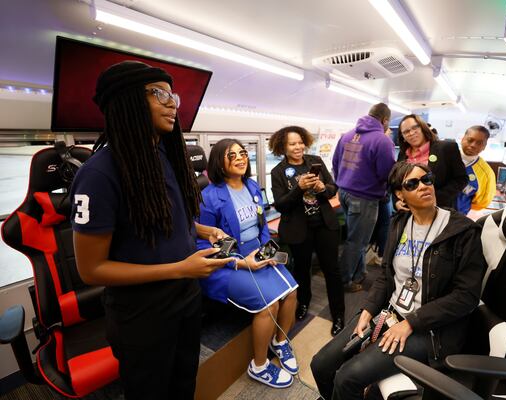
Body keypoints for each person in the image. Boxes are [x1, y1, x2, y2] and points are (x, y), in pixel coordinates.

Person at [71, 61, 233, 400]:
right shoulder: (98, 174)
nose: (172, 102)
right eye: (159, 94)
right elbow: (91, 269)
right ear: (127, 100)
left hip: (186, 300)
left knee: (183, 386)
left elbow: (163, 221)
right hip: (143, 317)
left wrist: (203, 230)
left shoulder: (163, 155)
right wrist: (179, 269)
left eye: (172, 94)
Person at [310, 162, 485, 400]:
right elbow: (385, 274)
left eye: (427, 179)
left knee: (348, 376)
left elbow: (466, 297)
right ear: (399, 195)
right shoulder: (399, 224)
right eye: (412, 184)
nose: (423, 186)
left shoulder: (463, 231)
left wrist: (411, 322)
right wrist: (368, 310)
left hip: (430, 329)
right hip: (389, 313)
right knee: (321, 364)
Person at [196, 139, 299, 389]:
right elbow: (204, 247)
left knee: (293, 291)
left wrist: (265, 251)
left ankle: (280, 341)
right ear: (219, 161)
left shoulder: (252, 186)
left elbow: (262, 225)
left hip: (256, 255)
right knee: (270, 303)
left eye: (243, 153)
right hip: (227, 264)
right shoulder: (208, 197)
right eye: (232, 155)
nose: (240, 158)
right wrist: (241, 264)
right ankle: (260, 366)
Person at [269, 126, 345, 336]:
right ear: (283, 147)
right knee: (302, 269)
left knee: (332, 270)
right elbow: (281, 205)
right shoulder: (278, 172)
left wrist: (322, 188)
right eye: (293, 144)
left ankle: (339, 314)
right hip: (298, 230)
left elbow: (333, 188)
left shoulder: (315, 162)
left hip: (325, 226)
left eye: (301, 142)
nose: (298, 147)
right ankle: (303, 303)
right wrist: (299, 188)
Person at [332, 103, 396, 292]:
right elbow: (387, 173)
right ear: (385, 121)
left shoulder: (347, 135)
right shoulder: (382, 140)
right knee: (356, 241)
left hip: (343, 193)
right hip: (365, 198)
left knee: (357, 238)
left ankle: (358, 274)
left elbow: (335, 163)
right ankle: (344, 281)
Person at [396, 114, 467, 210]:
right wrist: (398, 201)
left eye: (415, 127)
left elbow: (461, 179)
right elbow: (397, 183)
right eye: (406, 131)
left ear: (423, 128)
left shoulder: (447, 148)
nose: (411, 133)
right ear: (403, 137)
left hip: (439, 208)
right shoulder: (403, 154)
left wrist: (435, 198)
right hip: (410, 210)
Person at [455, 125, 496, 215]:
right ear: (462, 139)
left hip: (456, 218)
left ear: (484, 146)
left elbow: (481, 203)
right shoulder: (444, 157)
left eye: (479, 143)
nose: (473, 145)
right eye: (470, 140)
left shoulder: (487, 174)